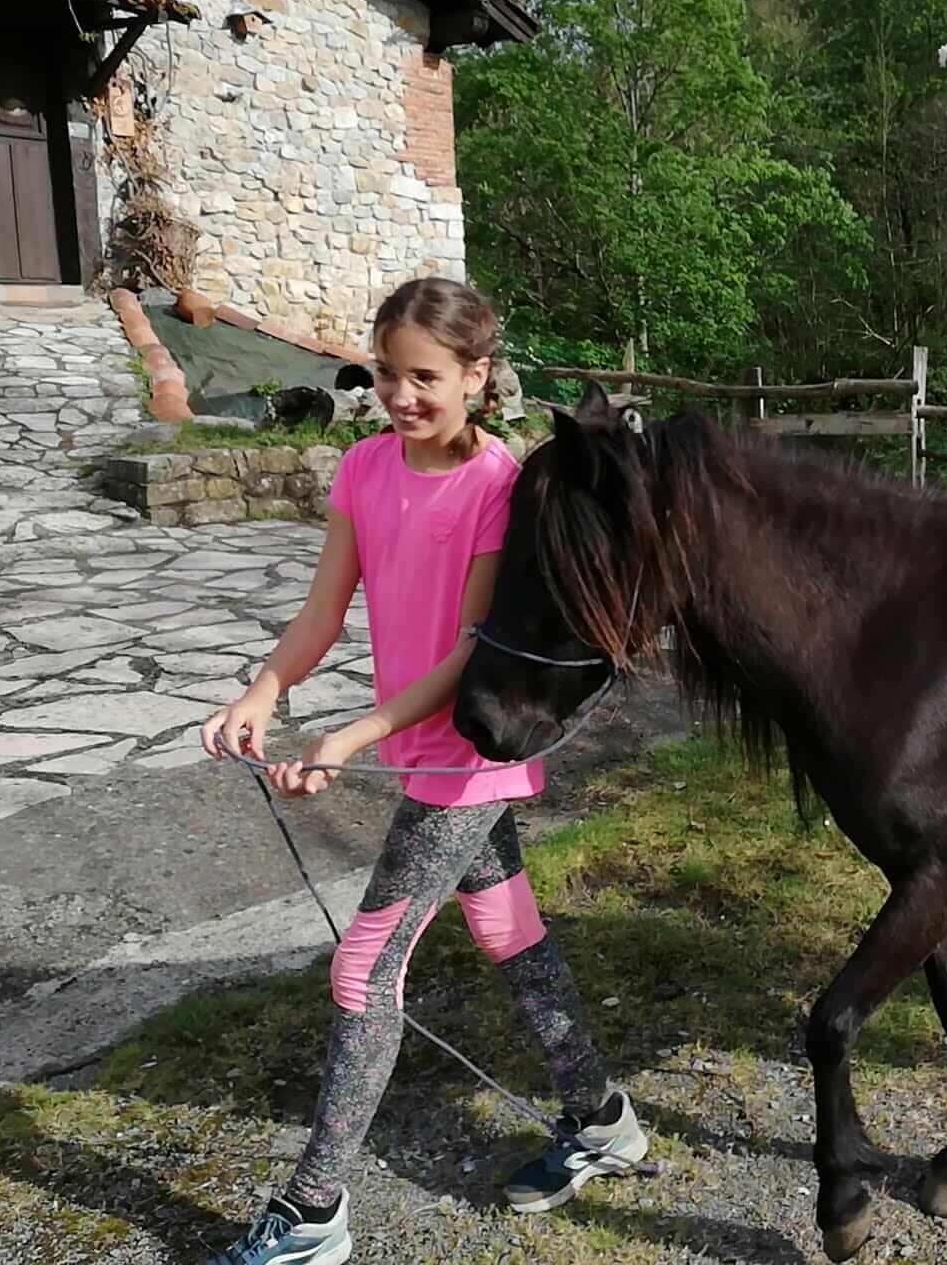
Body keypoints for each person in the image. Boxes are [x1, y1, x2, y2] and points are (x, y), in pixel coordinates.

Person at [199, 278, 646, 1265]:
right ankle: (604, 1120)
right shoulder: (362, 469)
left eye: (427, 377)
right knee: (506, 930)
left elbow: (470, 655)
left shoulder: (500, 484)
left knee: (364, 969)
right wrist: (264, 693)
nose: (403, 395)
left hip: (469, 748)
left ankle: (313, 1211)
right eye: (390, 374)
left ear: (477, 376)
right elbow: (322, 615)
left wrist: (349, 739)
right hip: (421, 752)